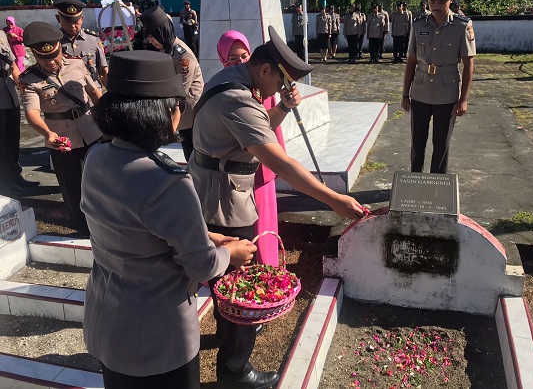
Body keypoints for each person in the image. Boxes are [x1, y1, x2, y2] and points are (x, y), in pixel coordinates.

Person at [188, 25, 366, 388]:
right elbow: (281, 162)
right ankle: (235, 372)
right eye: (281, 83)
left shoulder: (231, 80)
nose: (281, 91)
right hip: (225, 203)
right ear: (266, 69)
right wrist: (334, 199)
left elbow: (256, 128)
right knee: (240, 287)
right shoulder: (238, 98)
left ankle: (228, 340)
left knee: (224, 281)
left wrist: (282, 107)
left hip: (213, 191)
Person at [81, 50, 256, 389]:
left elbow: (137, 229)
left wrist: (210, 237)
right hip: (158, 337)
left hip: (106, 318)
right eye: (176, 104)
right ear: (159, 114)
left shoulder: (97, 156)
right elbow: (203, 267)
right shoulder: (168, 181)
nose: (180, 112)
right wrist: (229, 254)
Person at [20, 22, 103, 229]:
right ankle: (81, 226)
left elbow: (94, 93)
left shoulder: (76, 63)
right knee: (71, 185)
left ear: (60, 48)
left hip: (91, 130)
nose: (51, 62)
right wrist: (47, 133)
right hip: (61, 138)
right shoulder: (29, 79)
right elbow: (32, 113)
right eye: (44, 59)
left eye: (54, 56)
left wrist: (106, 118)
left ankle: (106, 222)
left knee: (101, 179)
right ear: (34, 55)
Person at [217, 30, 285, 267]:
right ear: (222, 60)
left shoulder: (265, 86)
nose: (240, 62)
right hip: (234, 170)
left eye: (244, 55)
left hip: (261, 166)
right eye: (232, 59)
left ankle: (267, 266)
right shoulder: (222, 89)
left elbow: (270, 127)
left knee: (264, 221)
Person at [402, 0, 476, 174]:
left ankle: (438, 186)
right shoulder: (418, 24)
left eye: (441, 2)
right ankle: (415, 181)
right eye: (431, 2)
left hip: (447, 93)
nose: (435, 6)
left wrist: (463, 99)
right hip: (420, 91)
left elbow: (469, 64)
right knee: (417, 143)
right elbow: (411, 61)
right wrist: (404, 94)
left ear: (451, 0)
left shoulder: (462, 26)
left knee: (441, 145)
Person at [140, 5, 204, 162]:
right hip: (179, 115)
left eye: (152, 35)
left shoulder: (183, 55)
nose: (150, 40)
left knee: (194, 156)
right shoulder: (166, 50)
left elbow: (179, 89)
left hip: (190, 115)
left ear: (162, 31)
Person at [0, 28, 38, 194]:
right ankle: (4, 182)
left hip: (8, 90)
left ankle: (15, 175)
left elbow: (12, 63)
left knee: (12, 137)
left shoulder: (1, 34)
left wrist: (22, 85)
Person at [54, 0, 108, 88]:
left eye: (75, 21)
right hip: (68, 94)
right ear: (58, 19)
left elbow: (103, 71)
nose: (72, 26)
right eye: (67, 21)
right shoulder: (54, 42)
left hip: (94, 91)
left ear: (82, 19)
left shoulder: (93, 39)